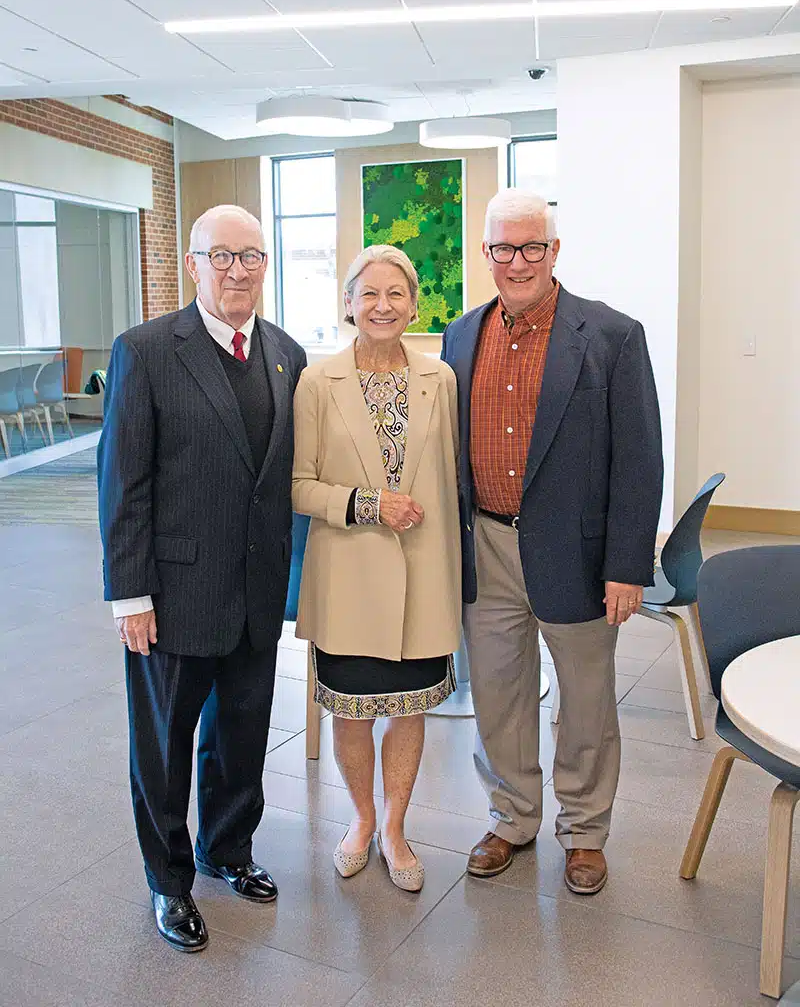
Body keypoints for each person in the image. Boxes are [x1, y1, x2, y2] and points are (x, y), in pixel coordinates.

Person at [441, 189, 663, 895]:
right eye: (502, 248)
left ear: (555, 251)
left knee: (587, 701)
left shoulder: (611, 336)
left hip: (579, 556)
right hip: (488, 548)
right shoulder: (460, 334)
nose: (516, 261)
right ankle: (512, 818)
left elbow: (639, 460)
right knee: (500, 697)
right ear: (486, 254)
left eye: (531, 246)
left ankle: (585, 831)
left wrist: (627, 566)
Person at [97, 204, 306, 952]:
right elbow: (124, 484)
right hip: (172, 595)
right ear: (193, 265)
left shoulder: (285, 353)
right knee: (163, 746)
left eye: (250, 256)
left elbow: (280, 478)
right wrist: (130, 596)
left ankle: (228, 849)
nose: (237, 270)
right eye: (221, 256)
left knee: (242, 732)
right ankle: (170, 883)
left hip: (254, 593)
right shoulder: (147, 351)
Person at [292, 244, 461, 892]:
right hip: (347, 579)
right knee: (354, 712)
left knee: (409, 711)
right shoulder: (317, 381)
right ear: (347, 305)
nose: (382, 306)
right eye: (369, 294)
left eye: (395, 294)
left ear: (414, 305)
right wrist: (367, 504)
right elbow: (298, 487)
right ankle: (361, 821)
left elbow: (448, 486)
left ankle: (396, 828)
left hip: (422, 577)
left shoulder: (440, 380)